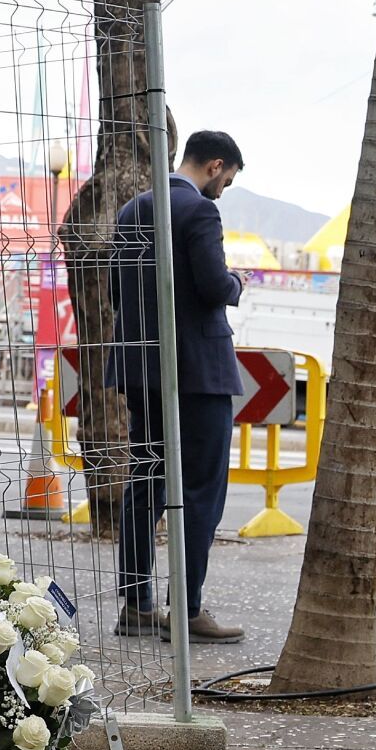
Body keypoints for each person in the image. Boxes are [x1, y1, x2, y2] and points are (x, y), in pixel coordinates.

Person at [108, 129, 248, 645]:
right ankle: (185, 611)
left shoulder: (132, 209)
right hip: (199, 374)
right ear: (214, 166)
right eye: (226, 181)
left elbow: (115, 289)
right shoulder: (199, 211)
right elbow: (213, 285)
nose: (222, 192)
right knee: (200, 490)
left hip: (142, 370)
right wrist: (237, 282)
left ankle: (137, 604)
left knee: (145, 482)